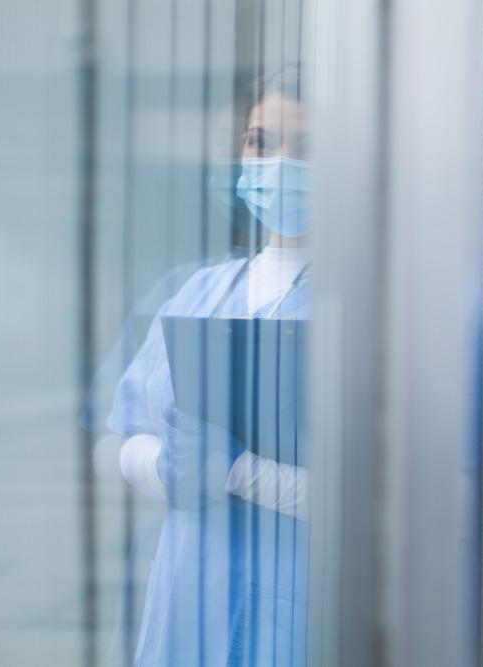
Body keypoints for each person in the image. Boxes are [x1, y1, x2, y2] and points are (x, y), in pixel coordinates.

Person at [107, 66, 311, 667]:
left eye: (307, 148)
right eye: (260, 141)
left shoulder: (365, 304)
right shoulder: (198, 291)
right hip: (187, 601)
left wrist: (237, 471)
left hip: (302, 610)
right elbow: (120, 439)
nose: (277, 164)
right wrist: (165, 467)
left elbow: (379, 493)